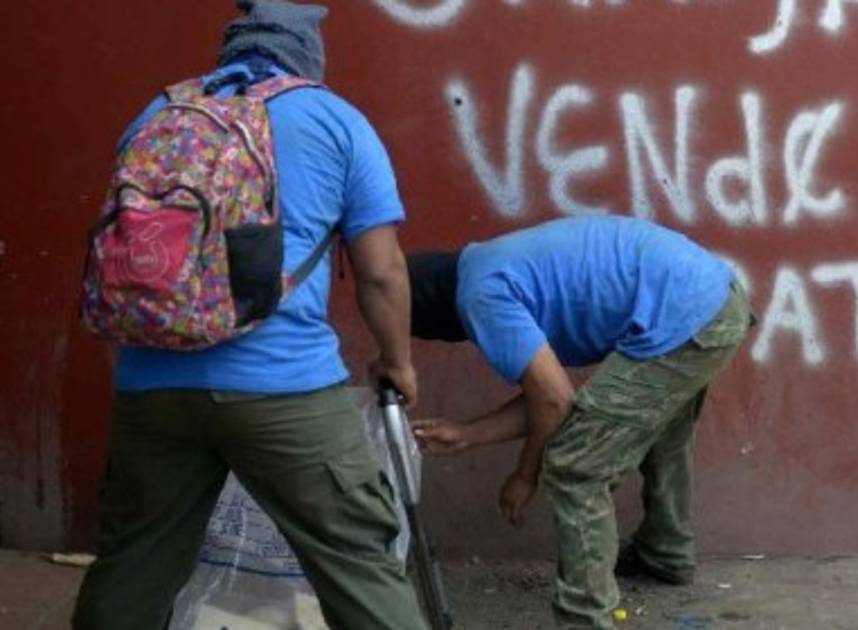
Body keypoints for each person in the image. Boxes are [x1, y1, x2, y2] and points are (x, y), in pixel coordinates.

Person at [72, 2, 427, 629]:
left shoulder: (157, 115)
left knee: (133, 565)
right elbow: (381, 272)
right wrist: (398, 361)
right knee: (358, 562)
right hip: (283, 388)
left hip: (152, 385)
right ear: (308, 57)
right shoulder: (334, 120)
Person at [408, 215, 752, 628]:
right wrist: (468, 435)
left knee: (576, 465)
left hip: (686, 313)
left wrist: (525, 474)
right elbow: (547, 394)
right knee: (661, 434)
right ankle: (665, 553)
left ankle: (585, 617)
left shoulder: (479, 296)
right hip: (709, 297)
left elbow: (555, 401)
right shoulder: (485, 265)